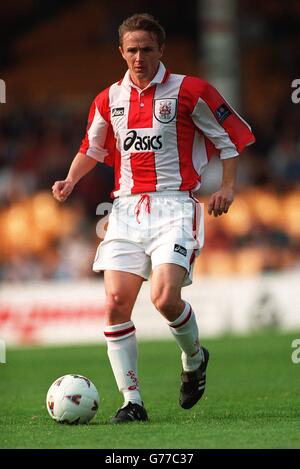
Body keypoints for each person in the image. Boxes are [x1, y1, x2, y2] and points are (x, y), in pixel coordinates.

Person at [52, 13, 255, 423]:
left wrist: (228, 187)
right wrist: (71, 180)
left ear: (161, 50)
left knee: (164, 298)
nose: (139, 58)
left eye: (146, 49)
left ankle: (194, 358)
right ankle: (133, 402)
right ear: (121, 52)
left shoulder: (190, 91)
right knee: (114, 303)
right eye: (131, 50)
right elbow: (92, 148)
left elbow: (230, 137)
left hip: (175, 206)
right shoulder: (108, 98)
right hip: (126, 209)